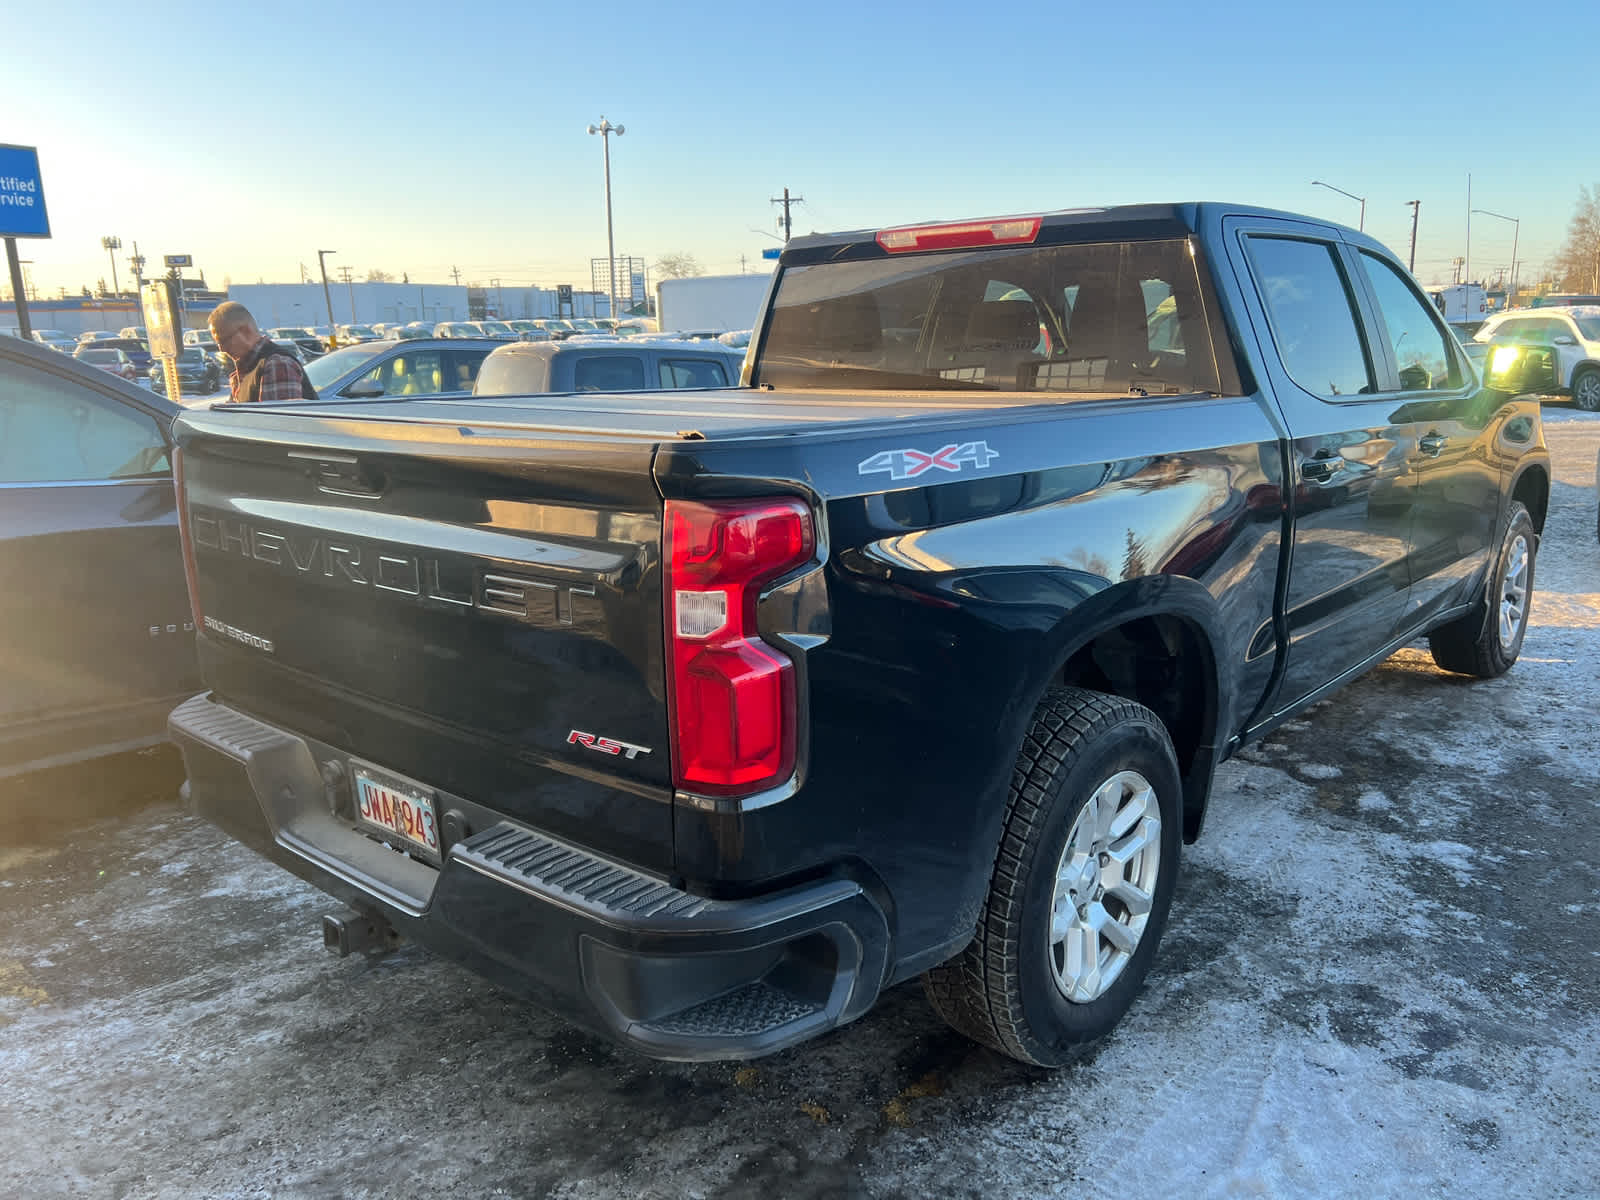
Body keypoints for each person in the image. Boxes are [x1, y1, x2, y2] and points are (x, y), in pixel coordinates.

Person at [207, 301, 318, 403]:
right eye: (218, 343)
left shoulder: (277, 364)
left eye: (224, 341)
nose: (222, 349)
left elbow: (277, 422)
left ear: (246, 331)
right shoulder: (244, 372)